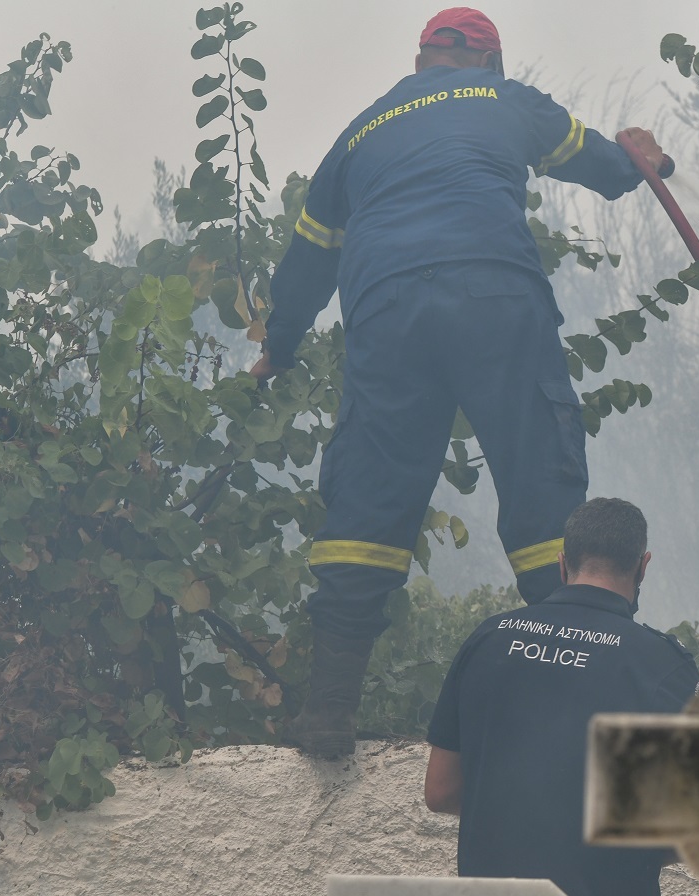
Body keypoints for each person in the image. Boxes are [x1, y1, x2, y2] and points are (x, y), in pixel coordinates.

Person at [249, 8, 669, 758]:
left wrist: (277, 348)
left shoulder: (358, 134)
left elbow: (307, 261)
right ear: (486, 62)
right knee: (539, 472)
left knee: (369, 493)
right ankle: (579, 698)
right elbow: (602, 165)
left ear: (421, 62)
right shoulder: (507, 101)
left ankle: (328, 710)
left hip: (385, 310)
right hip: (494, 297)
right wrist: (638, 159)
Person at [424, 498, 699, 896]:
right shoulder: (662, 666)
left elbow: (441, 791)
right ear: (643, 566)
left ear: (561, 563)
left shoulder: (489, 639)